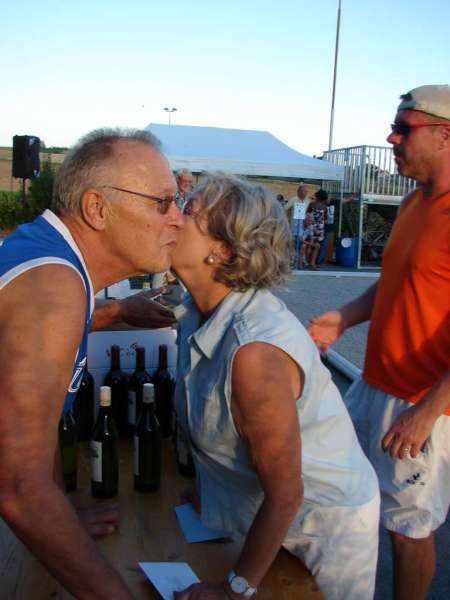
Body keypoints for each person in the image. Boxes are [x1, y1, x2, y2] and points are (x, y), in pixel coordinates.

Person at [171, 173, 380, 600]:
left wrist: (232, 592)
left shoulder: (254, 353)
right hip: (264, 513)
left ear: (222, 249)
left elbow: (286, 494)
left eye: (188, 211)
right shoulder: (197, 311)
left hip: (323, 529)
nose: (172, 216)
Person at [0, 128, 183, 599]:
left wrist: (117, 311)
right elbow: (18, 487)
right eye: (162, 202)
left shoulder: (50, 259)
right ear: (97, 208)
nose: (179, 220)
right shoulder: (54, 289)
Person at [308, 84, 450, 600]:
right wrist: (342, 318)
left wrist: (429, 411)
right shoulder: (414, 201)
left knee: (409, 529)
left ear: (444, 134)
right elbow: (394, 283)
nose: (391, 138)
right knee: (344, 491)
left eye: (403, 128)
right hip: (375, 383)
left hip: (423, 402)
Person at [284, 184, 309, 267]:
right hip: (293, 226)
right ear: (298, 191)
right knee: (292, 244)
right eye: (303, 191)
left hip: (302, 227)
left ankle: (301, 262)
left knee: (301, 245)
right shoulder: (293, 200)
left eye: (306, 191)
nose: (305, 193)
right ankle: (291, 261)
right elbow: (284, 209)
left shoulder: (307, 201)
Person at [306, 189, 327, 269]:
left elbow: (307, 214)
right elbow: (325, 219)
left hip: (311, 226)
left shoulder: (312, 204)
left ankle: (306, 261)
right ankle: (313, 263)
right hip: (320, 228)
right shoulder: (324, 207)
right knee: (317, 245)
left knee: (309, 244)